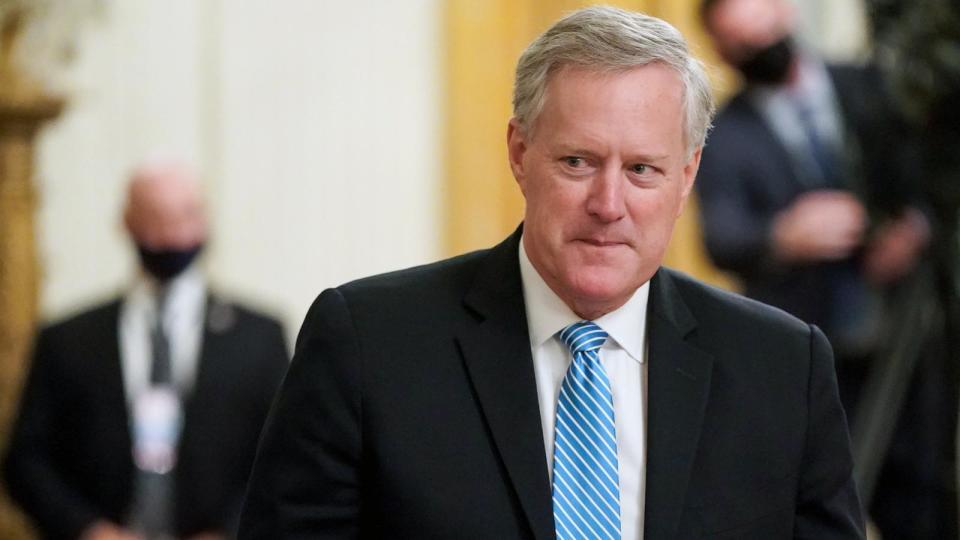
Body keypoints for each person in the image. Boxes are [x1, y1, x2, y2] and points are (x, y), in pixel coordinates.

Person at [239, 6, 863, 539]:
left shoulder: (784, 368)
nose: (609, 204)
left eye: (643, 169)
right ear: (519, 153)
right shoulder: (368, 345)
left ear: (687, 177)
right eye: (577, 161)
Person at [697, 0, 935, 536]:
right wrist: (786, 234)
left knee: (923, 490)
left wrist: (911, 231)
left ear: (785, 12)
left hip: (905, 333)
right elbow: (721, 236)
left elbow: (928, 172)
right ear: (721, 50)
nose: (761, 47)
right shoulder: (725, 133)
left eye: (764, 28)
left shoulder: (868, 86)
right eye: (743, 42)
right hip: (812, 345)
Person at [3, 160, 289, 540]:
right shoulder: (69, 339)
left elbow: (283, 456)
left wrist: (227, 531)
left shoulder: (259, 338)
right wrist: (88, 529)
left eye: (183, 216)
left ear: (205, 220)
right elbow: (27, 460)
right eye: (155, 216)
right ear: (126, 220)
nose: (170, 235)